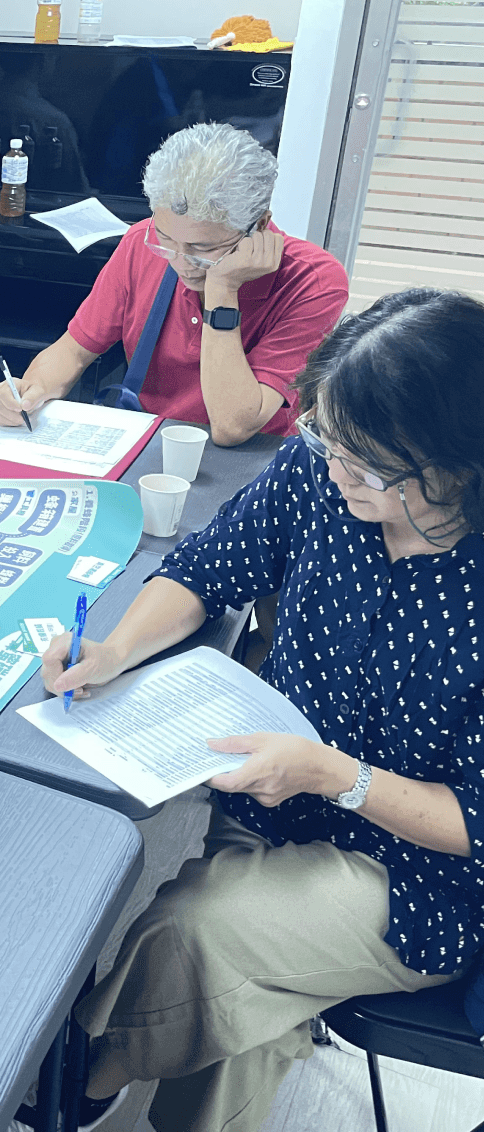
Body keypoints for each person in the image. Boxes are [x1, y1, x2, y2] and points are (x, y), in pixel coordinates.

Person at [33, 288, 484, 1132]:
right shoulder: (323, 472)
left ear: (457, 468)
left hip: (416, 872)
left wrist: (334, 776)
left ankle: (73, 1081)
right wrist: (115, 651)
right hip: (273, 797)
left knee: (198, 932)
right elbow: (209, 567)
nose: (337, 471)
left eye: (369, 465)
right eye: (328, 442)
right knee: (248, 1013)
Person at [0, 123, 347, 446]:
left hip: (245, 461)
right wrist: (28, 394)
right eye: (164, 239)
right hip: (148, 439)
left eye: (202, 249)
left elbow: (232, 426)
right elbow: (74, 350)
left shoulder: (313, 281)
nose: (180, 262)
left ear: (260, 225)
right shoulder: (138, 244)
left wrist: (222, 290)